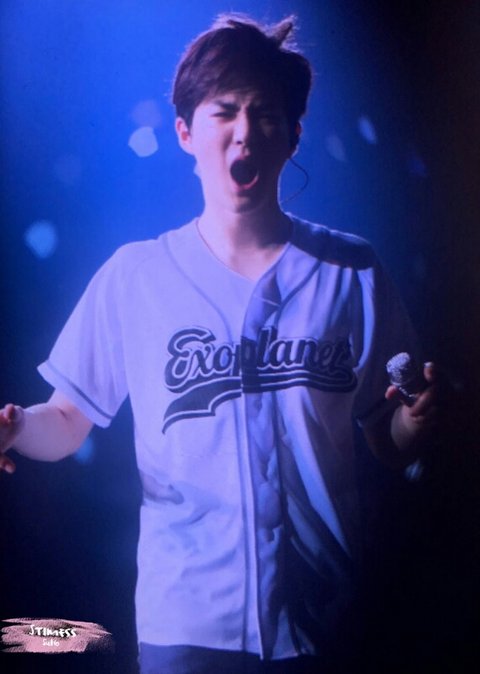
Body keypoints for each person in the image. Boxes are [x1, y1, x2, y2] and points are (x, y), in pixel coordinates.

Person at [0, 14, 439, 674]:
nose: (244, 131)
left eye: (265, 114)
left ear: (293, 134)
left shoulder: (350, 271)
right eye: (224, 111)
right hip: (187, 625)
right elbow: (65, 420)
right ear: (185, 132)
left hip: (326, 622)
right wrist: (13, 428)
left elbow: (385, 433)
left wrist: (415, 421)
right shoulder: (136, 276)